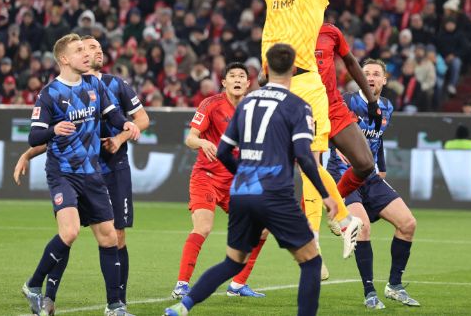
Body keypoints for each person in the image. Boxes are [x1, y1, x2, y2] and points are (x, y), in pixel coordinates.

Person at [164, 44, 337, 316]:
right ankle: (182, 285)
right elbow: (305, 157)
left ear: (263, 71)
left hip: (241, 187)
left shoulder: (249, 105)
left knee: (233, 260)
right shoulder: (298, 105)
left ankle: (185, 305)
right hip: (270, 190)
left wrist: (241, 173)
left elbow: (222, 150)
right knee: (311, 262)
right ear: (294, 69)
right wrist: (327, 196)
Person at [258, 0, 362, 260]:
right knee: (292, 165)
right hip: (274, 86)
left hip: (305, 85)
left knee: (312, 161)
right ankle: (340, 222)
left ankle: (323, 236)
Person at [14, 36, 149, 312]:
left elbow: (112, 114)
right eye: (79, 51)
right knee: (71, 232)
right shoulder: (49, 93)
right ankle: (35, 284)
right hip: (63, 173)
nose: (86, 55)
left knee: (110, 237)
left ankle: (115, 307)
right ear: (64, 59)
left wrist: (127, 126)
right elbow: (34, 135)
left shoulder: (94, 84)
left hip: (92, 173)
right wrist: (53, 130)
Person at [327, 59, 420, 309]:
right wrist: (335, 146)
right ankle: (370, 292)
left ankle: (394, 286)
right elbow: (325, 124)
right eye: (365, 73)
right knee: (363, 227)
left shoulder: (387, 107)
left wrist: (383, 168)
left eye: (376, 74)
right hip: (343, 174)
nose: (370, 77)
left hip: (370, 176)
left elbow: (377, 139)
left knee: (408, 223)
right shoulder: (346, 101)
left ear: (384, 80)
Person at [171, 61, 266, 299]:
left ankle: (237, 285)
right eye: (231, 76)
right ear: (223, 82)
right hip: (207, 176)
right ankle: (182, 284)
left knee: (262, 229)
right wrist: (202, 142)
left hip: (236, 180)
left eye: (241, 76)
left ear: (247, 82)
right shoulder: (211, 104)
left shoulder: (255, 108)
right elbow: (190, 138)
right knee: (203, 226)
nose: (236, 79)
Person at [314, 22, 383, 279]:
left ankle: (336, 209)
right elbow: (268, 74)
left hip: (333, 107)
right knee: (311, 173)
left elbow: (352, 64)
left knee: (365, 163)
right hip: (304, 109)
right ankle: (313, 252)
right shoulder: (288, 26)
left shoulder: (330, 31)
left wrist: (372, 101)